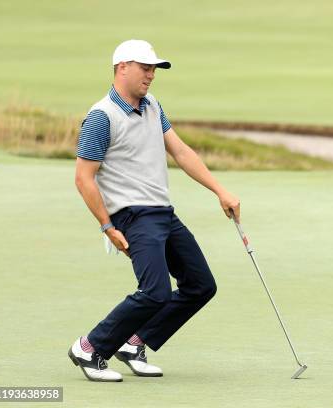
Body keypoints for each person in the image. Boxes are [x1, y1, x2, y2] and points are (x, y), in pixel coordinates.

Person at [68, 39, 240, 382]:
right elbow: (83, 177)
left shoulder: (152, 106)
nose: (151, 75)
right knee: (155, 292)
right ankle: (90, 348)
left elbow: (181, 151)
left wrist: (220, 190)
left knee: (200, 285)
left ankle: (135, 343)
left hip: (163, 212)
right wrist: (106, 226)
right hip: (132, 215)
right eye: (145, 68)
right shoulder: (102, 117)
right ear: (122, 68)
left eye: (154, 69)